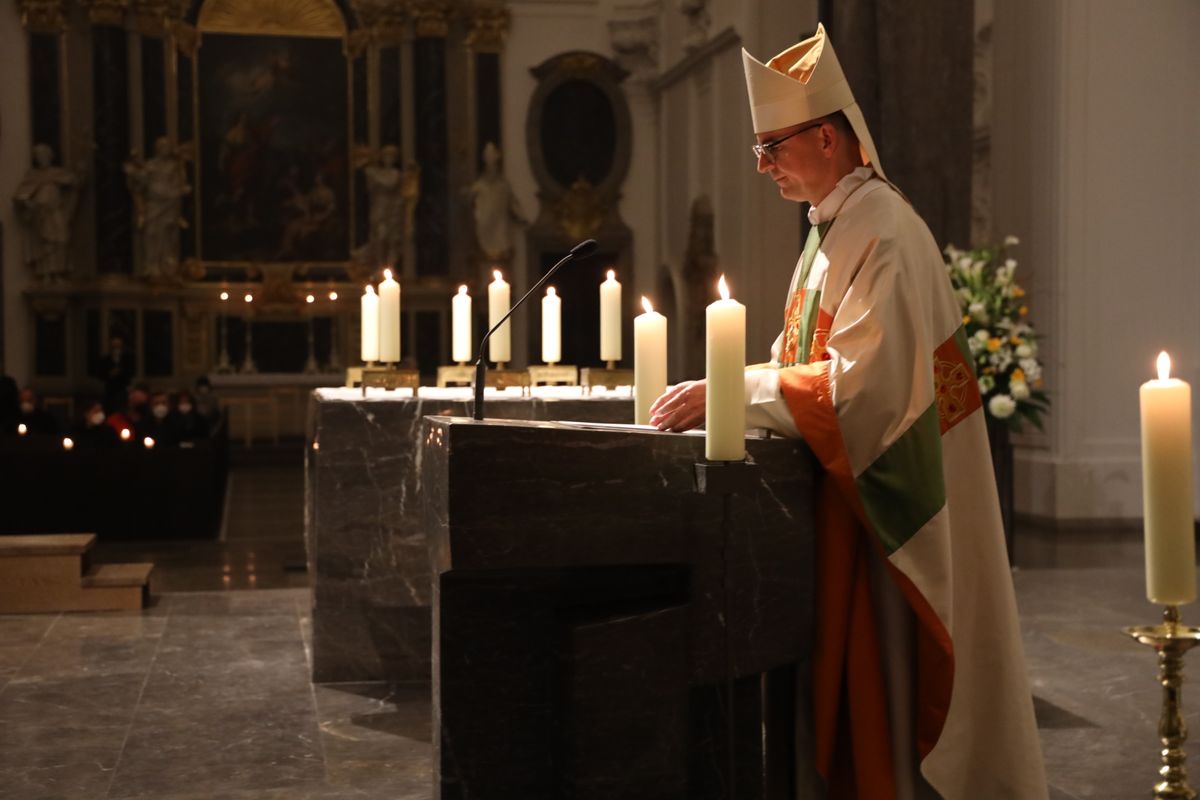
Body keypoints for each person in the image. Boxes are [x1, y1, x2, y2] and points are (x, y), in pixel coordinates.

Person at [649, 25, 1046, 799]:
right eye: (758, 149)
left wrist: (731, 393)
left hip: (897, 507)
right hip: (849, 497)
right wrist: (724, 384)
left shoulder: (884, 231)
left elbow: (863, 393)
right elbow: (801, 364)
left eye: (772, 147)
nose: (761, 165)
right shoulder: (833, 230)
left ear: (827, 138)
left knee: (889, 682)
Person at [12, 143, 83, 283]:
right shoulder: (33, 175)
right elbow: (20, 196)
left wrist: (81, 172)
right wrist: (27, 203)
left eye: (44, 155)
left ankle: (58, 272)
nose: (42, 158)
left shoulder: (58, 173)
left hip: (56, 210)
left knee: (61, 240)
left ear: (50, 157)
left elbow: (75, 182)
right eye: (39, 156)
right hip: (40, 214)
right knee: (45, 243)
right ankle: (46, 274)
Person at [95, 335, 136, 414]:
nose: (116, 349)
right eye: (114, 347)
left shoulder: (128, 359)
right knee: (110, 411)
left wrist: (120, 372)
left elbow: (131, 373)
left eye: (118, 346)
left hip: (122, 389)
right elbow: (100, 375)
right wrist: (110, 374)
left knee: (122, 411)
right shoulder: (105, 359)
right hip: (110, 391)